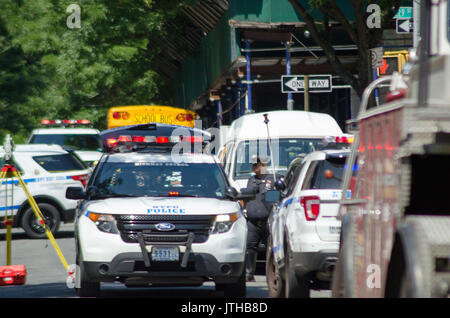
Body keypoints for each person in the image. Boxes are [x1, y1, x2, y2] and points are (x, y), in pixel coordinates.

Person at [241, 155, 277, 282]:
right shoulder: (251, 180)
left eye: (258, 165)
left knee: (270, 248)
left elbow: (274, 199)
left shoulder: (272, 180)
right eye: (254, 165)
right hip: (253, 221)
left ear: (264, 166)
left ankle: (272, 274)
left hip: (268, 221)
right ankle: (248, 273)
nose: (255, 167)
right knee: (250, 247)